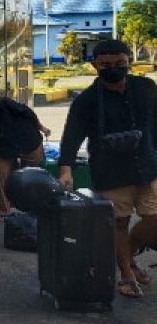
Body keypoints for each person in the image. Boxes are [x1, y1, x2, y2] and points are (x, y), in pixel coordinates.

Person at [57, 38, 157, 298]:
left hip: (148, 165)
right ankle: (126, 273)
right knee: (119, 224)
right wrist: (65, 170)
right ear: (95, 66)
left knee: (154, 220)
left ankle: (130, 253)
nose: (113, 68)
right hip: (111, 172)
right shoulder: (87, 100)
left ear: (129, 62)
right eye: (106, 64)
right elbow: (71, 136)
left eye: (119, 63)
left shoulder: (146, 87)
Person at [0, 86, 51, 224]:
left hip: (27, 142)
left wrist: (42, 128)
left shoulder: (5, 104)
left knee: (32, 177)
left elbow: (29, 114)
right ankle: (3, 213)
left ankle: (32, 211)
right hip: (0, 149)